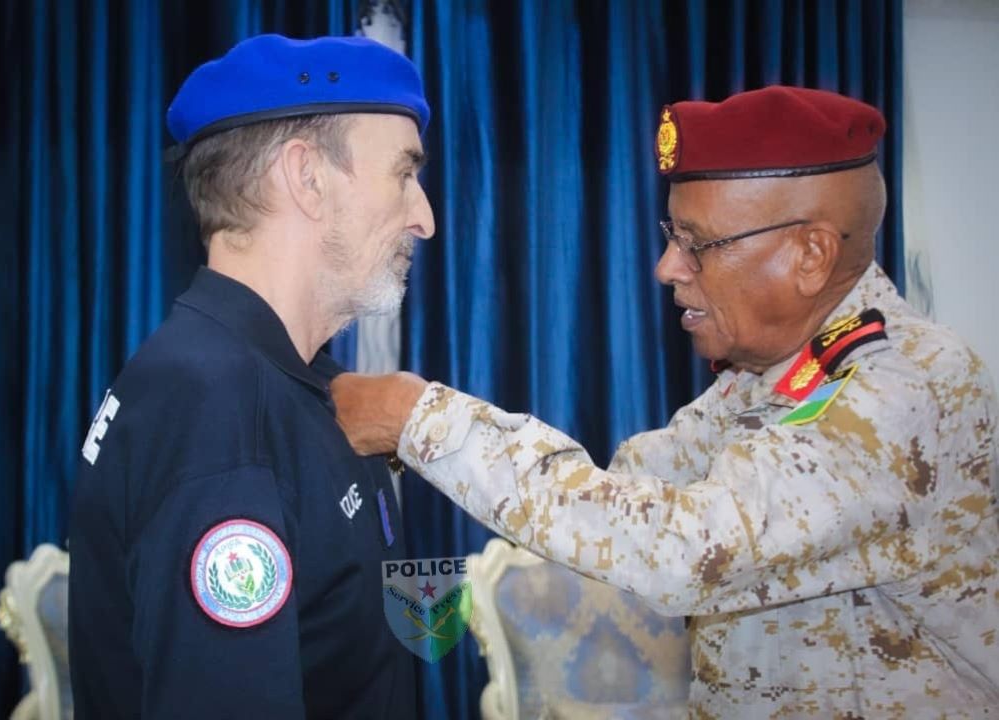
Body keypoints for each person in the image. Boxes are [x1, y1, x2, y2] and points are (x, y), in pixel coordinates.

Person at [332, 86, 999, 716]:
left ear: (811, 254)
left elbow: (684, 548)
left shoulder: (904, 388)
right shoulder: (772, 373)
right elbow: (628, 484)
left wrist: (419, 419)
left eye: (697, 244)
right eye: (670, 236)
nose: (666, 267)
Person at [68, 33, 434, 719]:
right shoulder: (212, 408)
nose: (424, 217)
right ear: (307, 176)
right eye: (403, 174)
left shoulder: (289, 385)